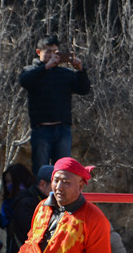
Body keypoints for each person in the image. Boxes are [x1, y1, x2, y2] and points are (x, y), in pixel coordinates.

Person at [18, 35, 91, 174]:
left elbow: (83, 89)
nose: (53, 55)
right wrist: (45, 67)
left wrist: (81, 70)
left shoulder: (65, 73)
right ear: (38, 52)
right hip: (41, 130)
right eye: (48, 52)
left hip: (62, 129)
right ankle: (41, 196)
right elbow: (25, 81)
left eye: (55, 52)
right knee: (41, 171)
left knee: (63, 170)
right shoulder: (31, 71)